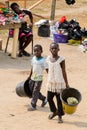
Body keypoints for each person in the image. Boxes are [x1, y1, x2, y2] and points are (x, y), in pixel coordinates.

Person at [46, 42, 69, 123]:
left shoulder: (61, 59)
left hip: (59, 83)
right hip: (51, 83)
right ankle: (54, 111)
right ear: (50, 50)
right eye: (52, 48)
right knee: (49, 98)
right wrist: (50, 77)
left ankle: (60, 116)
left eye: (55, 48)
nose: (54, 50)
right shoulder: (48, 59)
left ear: (58, 49)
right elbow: (47, 69)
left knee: (59, 101)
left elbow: (64, 72)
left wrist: (66, 83)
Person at [27, 44, 48, 111]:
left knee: (35, 91)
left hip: (39, 79)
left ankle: (33, 105)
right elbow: (32, 67)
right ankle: (44, 99)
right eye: (34, 51)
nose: (36, 52)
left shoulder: (43, 60)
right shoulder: (33, 58)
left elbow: (47, 69)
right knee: (32, 90)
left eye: (37, 51)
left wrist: (50, 77)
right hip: (33, 77)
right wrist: (29, 76)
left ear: (41, 51)